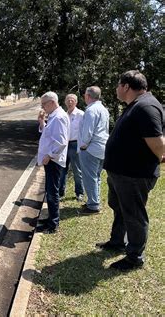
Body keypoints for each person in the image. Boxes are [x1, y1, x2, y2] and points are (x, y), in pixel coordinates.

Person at [98, 70, 164, 271]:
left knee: (134, 215)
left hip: (134, 175)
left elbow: (159, 145)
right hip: (121, 173)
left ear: (126, 86)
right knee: (119, 207)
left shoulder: (146, 107)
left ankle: (134, 257)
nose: (116, 89)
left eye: (118, 85)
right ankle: (117, 241)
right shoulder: (136, 106)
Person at [37, 91, 69, 234]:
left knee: (52, 192)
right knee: (50, 191)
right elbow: (48, 135)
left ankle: (53, 223)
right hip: (51, 160)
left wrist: (49, 155)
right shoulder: (54, 116)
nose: (43, 107)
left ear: (51, 102)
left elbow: (61, 142)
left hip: (54, 161)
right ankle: (51, 218)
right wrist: (41, 122)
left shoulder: (59, 117)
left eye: (44, 104)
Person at [77, 86, 109, 214]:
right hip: (101, 147)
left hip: (91, 148)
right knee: (96, 177)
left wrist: (83, 145)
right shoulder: (103, 109)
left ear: (88, 96)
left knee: (89, 177)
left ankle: (93, 205)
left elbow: (87, 132)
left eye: (85, 95)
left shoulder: (91, 110)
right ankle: (94, 201)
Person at [59, 94, 84, 200]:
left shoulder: (81, 114)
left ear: (76, 102)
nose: (70, 102)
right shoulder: (63, 115)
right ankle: (60, 192)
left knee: (77, 170)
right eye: (68, 100)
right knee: (62, 170)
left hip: (75, 144)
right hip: (64, 145)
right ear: (65, 102)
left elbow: (84, 131)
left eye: (72, 100)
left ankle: (79, 192)